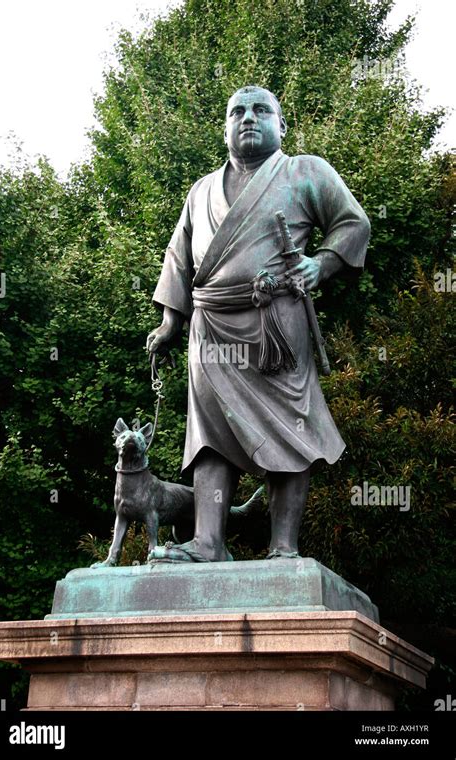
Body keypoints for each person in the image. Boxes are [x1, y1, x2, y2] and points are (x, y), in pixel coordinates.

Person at [146, 85, 370, 563]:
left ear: (281, 125)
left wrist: (320, 264)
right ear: (224, 127)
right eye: (238, 112)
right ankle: (208, 542)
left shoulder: (304, 171)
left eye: (261, 110)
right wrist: (169, 322)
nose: (249, 118)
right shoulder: (201, 190)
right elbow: (178, 257)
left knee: (290, 425)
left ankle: (283, 546)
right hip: (209, 325)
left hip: (276, 324)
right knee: (208, 431)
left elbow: (354, 224)